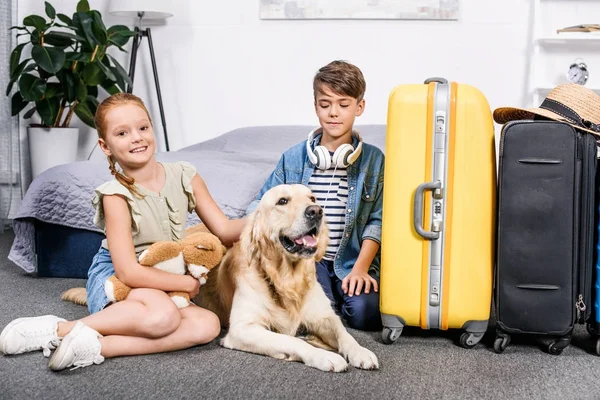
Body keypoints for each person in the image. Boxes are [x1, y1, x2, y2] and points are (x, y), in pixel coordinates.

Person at [0, 93, 246, 371]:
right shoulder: (115, 196)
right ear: (106, 146)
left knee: (207, 326)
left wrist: (267, 218)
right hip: (120, 278)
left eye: (143, 128)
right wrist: (183, 285)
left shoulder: (185, 175)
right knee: (163, 317)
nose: (137, 138)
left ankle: (98, 346)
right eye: (122, 133)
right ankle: (59, 329)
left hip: (162, 278)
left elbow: (225, 230)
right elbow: (129, 272)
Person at [246, 60, 385, 331]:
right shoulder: (293, 158)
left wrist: (360, 269)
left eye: (344, 105)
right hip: (307, 258)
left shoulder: (374, 161)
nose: (334, 113)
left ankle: (338, 298)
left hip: (351, 260)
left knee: (366, 315)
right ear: (315, 106)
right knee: (314, 315)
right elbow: (259, 204)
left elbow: (377, 221)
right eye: (325, 104)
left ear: (360, 107)